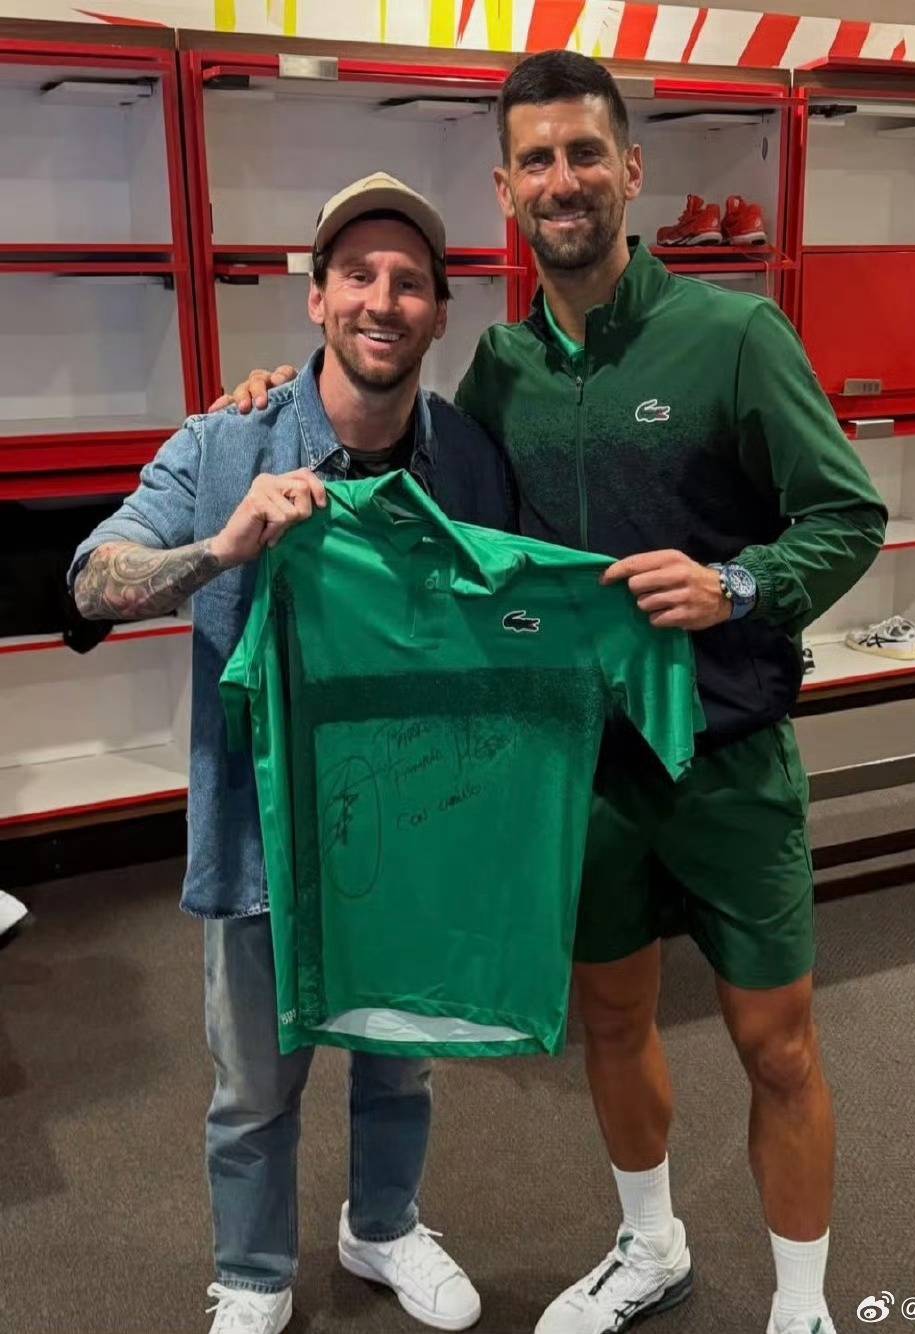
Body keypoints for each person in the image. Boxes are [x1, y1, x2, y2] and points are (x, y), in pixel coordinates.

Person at [221, 51, 888, 1334]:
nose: (563, 180)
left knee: (779, 1045)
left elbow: (847, 514)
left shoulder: (733, 337)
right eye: (537, 160)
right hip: (576, 771)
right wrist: (274, 412)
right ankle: (651, 1246)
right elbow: (413, 487)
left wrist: (738, 585)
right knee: (614, 1023)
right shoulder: (502, 369)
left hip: (729, 760)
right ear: (506, 189)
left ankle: (803, 1306)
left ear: (630, 169)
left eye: (585, 153)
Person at [69, 172, 516, 1334]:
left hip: (407, 825)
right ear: (317, 298)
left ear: (440, 312)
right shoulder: (225, 443)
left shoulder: (470, 460)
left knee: (400, 1057)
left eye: (409, 281)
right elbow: (93, 581)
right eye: (358, 275)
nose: (383, 300)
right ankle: (255, 1271)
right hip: (258, 835)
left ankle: (383, 1223)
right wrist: (221, 548)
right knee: (254, 1085)